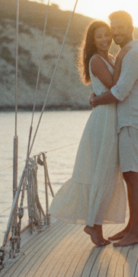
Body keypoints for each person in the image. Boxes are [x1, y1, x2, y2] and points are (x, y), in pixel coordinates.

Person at [48, 20, 128, 246]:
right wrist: (123, 58)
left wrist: (118, 60)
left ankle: (94, 225)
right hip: (103, 120)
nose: (105, 39)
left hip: (111, 117)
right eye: (99, 36)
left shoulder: (110, 58)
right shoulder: (96, 60)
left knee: (107, 174)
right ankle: (93, 227)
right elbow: (114, 85)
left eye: (106, 35)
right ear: (92, 41)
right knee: (100, 173)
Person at [89, 10, 138, 247]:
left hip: (132, 122)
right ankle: (130, 228)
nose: (115, 32)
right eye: (113, 27)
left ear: (131, 27)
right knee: (129, 176)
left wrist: (96, 101)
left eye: (120, 27)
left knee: (134, 176)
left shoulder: (133, 54)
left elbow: (119, 91)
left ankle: (136, 232)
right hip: (127, 122)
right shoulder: (126, 54)